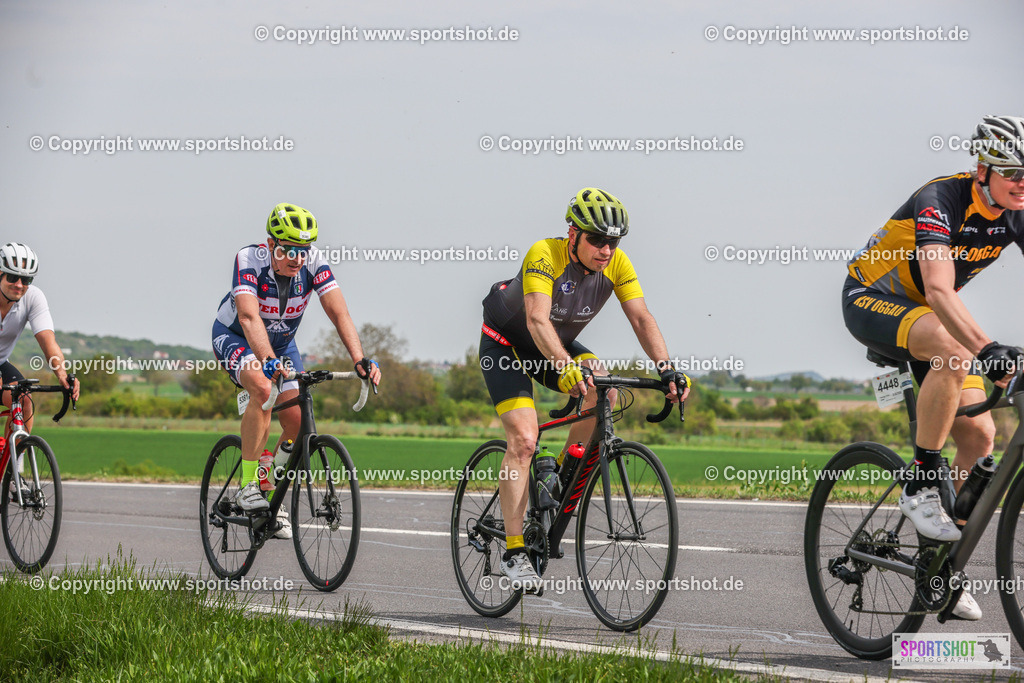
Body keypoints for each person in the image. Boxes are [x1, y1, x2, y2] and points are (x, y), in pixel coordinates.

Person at [843, 115, 1024, 620]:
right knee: (955, 347)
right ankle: (921, 480)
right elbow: (940, 289)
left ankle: (941, 566)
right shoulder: (939, 200)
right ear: (982, 169)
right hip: (872, 298)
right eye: (1012, 170)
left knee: (980, 439)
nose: (1023, 181)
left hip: (930, 318)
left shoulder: (1018, 210)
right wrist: (990, 350)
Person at [479, 187, 690, 591]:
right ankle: (514, 550)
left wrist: (667, 371)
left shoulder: (617, 263)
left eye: (613, 241)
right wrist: (566, 368)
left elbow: (642, 318)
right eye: (596, 239)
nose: (606, 249)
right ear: (573, 233)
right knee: (524, 439)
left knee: (604, 388)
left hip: (553, 341)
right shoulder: (545, 253)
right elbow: (538, 321)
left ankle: (556, 476)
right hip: (507, 343)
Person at [212, 203, 380, 538]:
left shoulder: (314, 262)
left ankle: (268, 488)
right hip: (237, 337)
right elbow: (248, 317)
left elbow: (338, 312)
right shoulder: (249, 259)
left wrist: (359, 358)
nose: (297, 258)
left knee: (297, 421)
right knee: (262, 388)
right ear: (271, 244)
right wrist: (266, 359)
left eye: (302, 251)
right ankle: (247, 487)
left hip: (283, 344)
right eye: (288, 249)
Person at [0, 242, 80, 434]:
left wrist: (62, 374)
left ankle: (15, 461)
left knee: (24, 400)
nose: (19, 285)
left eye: (26, 280)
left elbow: (48, 341)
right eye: (12, 277)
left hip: (1, 362)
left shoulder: (34, 298)